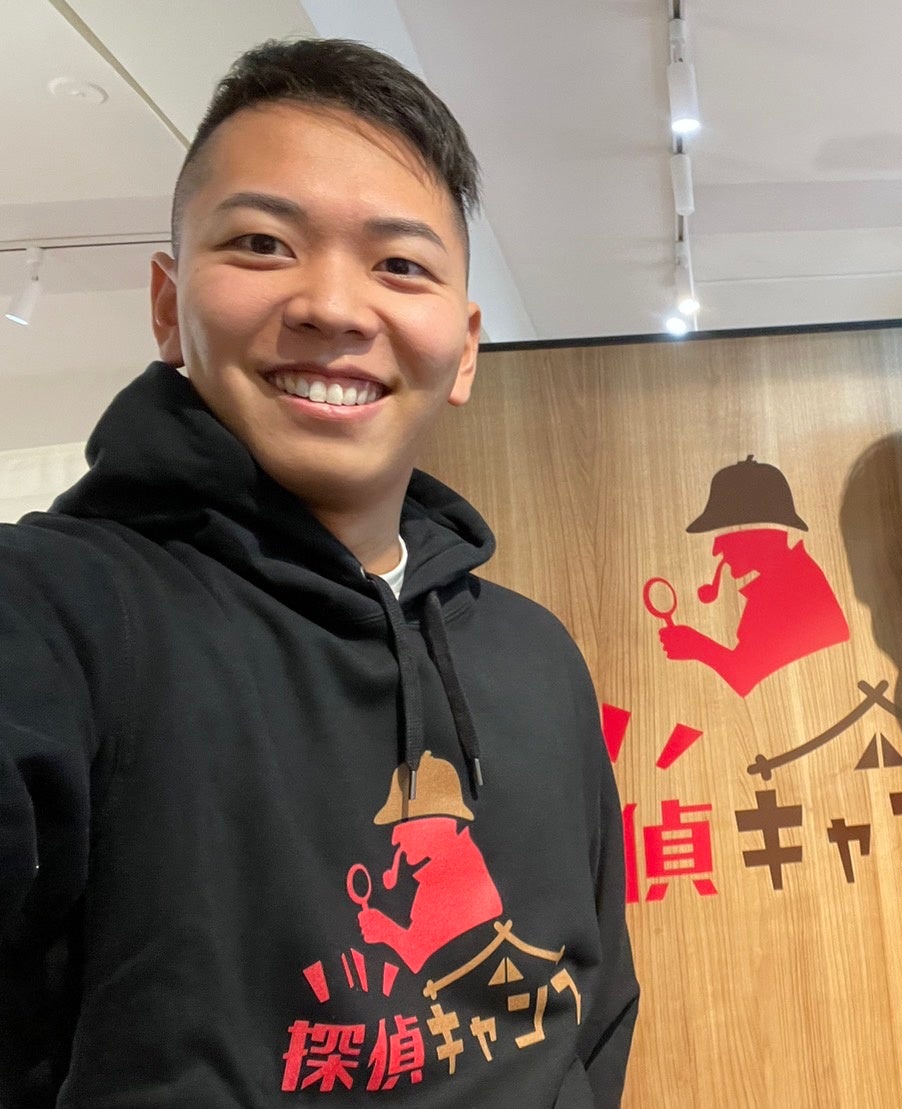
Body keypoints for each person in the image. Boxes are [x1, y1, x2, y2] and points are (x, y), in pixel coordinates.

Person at [0, 39, 637, 1106]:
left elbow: (594, 1002)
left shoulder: (533, 655)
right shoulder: (52, 614)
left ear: (465, 347)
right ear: (166, 305)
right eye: (262, 243)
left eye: (400, 264)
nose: (334, 307)